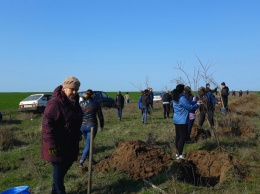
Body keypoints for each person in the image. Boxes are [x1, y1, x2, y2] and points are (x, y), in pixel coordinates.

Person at [42, 76, 83, 194]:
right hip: (57, 144)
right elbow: (47, 125)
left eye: (76, 90)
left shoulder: (74, 102)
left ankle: (55, 190)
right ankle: (60, 191)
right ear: (64, 88)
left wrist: (78, 133)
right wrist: (51, 145)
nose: (74, 92)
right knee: (59, 171)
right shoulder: (55, 103)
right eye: (72, 89)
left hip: (70, 143)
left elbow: (74, 120)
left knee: (65, 166)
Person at [172, 84, 201, 159]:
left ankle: (177, 153)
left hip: (176, 120)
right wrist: (197, 105)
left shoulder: (176, 97)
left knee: (178, 136)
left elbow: (188, 104)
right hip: (182, 120)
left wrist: (196, 102)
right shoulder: (182, 98)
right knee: (183, 137)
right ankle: (180, 154)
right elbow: (190, 107)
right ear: (182, 90)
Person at [79, 89, 104, 168]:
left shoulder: (81, 104)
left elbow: (78, 115)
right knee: (88, 145)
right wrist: (102, 126)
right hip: (92, 126)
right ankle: (81, 161)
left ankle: (90, 159)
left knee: (88, 143)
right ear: (92, 95)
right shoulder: (96, 103)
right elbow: (100, 116)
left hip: (82, 126)